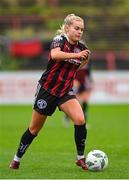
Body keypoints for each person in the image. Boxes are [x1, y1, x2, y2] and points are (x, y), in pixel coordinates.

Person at [9, 13, 91, 170]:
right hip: (47, 90)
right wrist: (77, 56)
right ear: (67, 28)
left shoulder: (82, 48)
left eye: (82, 29)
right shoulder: (59, 40)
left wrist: (83, 59)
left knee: (80, 119)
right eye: (76, 28)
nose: (80, 32)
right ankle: (16, 159)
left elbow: (82, 62)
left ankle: (80, 158)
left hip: (65, 91)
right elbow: (55, 55)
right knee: (34, 129)